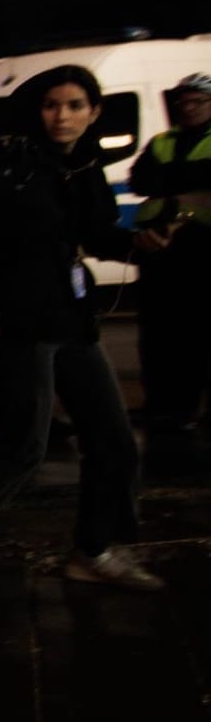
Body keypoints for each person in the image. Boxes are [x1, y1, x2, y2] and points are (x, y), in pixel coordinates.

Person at [0, 65, 167, 595]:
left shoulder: (85, 167)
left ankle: (94, 549)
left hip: (72, 321)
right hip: (22, 321)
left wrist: (136, 244)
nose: (62, 116)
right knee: (24, 443)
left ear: (94, 112)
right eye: (52, 105)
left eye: (75, 106)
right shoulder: (15, 163)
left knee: (113, 440)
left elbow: (93, 233)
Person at [130, 72, 211, 478]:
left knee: (199, 333)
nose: (188, 106)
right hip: (161, 254)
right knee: (161, 334)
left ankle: (192, 408)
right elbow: (141, 178)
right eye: (183, 100)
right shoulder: (163, 141)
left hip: (202, 251)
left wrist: (175, 183)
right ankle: (164, 407)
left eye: (197, 100)